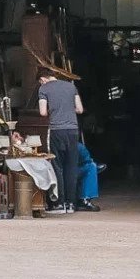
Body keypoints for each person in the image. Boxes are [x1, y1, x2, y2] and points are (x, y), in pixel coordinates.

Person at [37, 66, 85, 212]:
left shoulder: (43, 89)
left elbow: (43, 112)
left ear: (42, 79)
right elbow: (80, 109)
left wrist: (55, 109)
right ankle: (71, 204)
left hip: (56, 131)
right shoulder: (71, 87)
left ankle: (59, 203)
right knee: (71, 166)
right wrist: (67, 109)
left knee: (57, 166)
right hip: (72, 130)